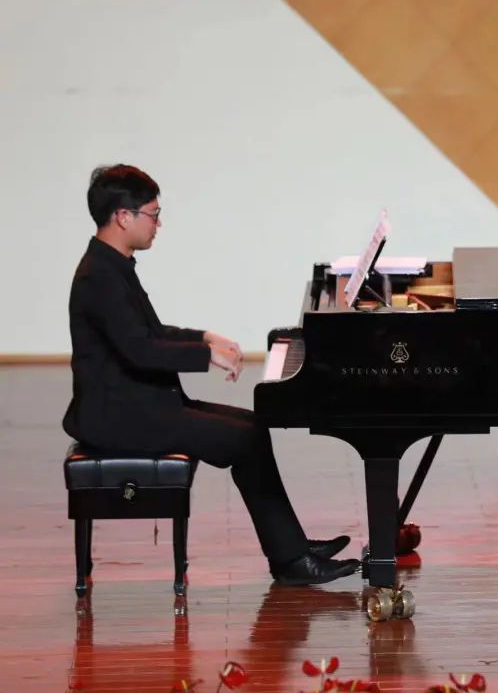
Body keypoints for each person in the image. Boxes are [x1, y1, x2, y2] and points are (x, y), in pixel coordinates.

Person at [63, 164, 360, 585]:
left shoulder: (111, 266)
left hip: (138, 404)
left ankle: (291, 547)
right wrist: (207, 356)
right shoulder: (99, 276)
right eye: (153, 214)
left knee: (253, 427)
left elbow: (150, 333)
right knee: (243, 439)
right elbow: (139, 350)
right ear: (123, 216)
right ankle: (291, 560)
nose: (158, 224)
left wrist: (205, 337)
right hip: (119, 417)